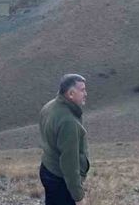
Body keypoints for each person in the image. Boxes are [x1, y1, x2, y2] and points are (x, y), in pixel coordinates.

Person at [39, 73, 90, 204]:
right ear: (71, 94)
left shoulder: (49, 106)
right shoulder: (69, 122)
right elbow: (69, 164)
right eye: (82, 90)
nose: (86, 94)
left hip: (47, 169)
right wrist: (78, 196)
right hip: (60, 179)